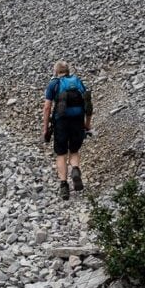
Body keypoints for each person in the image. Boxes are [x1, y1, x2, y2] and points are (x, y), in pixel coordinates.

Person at [42, 60, 93, 200]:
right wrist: (87, 124)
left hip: (61, 122)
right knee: (74, 150)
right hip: (77, 121)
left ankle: (64, 186)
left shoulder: (54, 84)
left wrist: (45, 129)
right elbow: (88, 104)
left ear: (56, 71)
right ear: (68, 70)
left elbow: (47, 107)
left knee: (61, 154)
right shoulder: (77, 81)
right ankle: (75, 170)